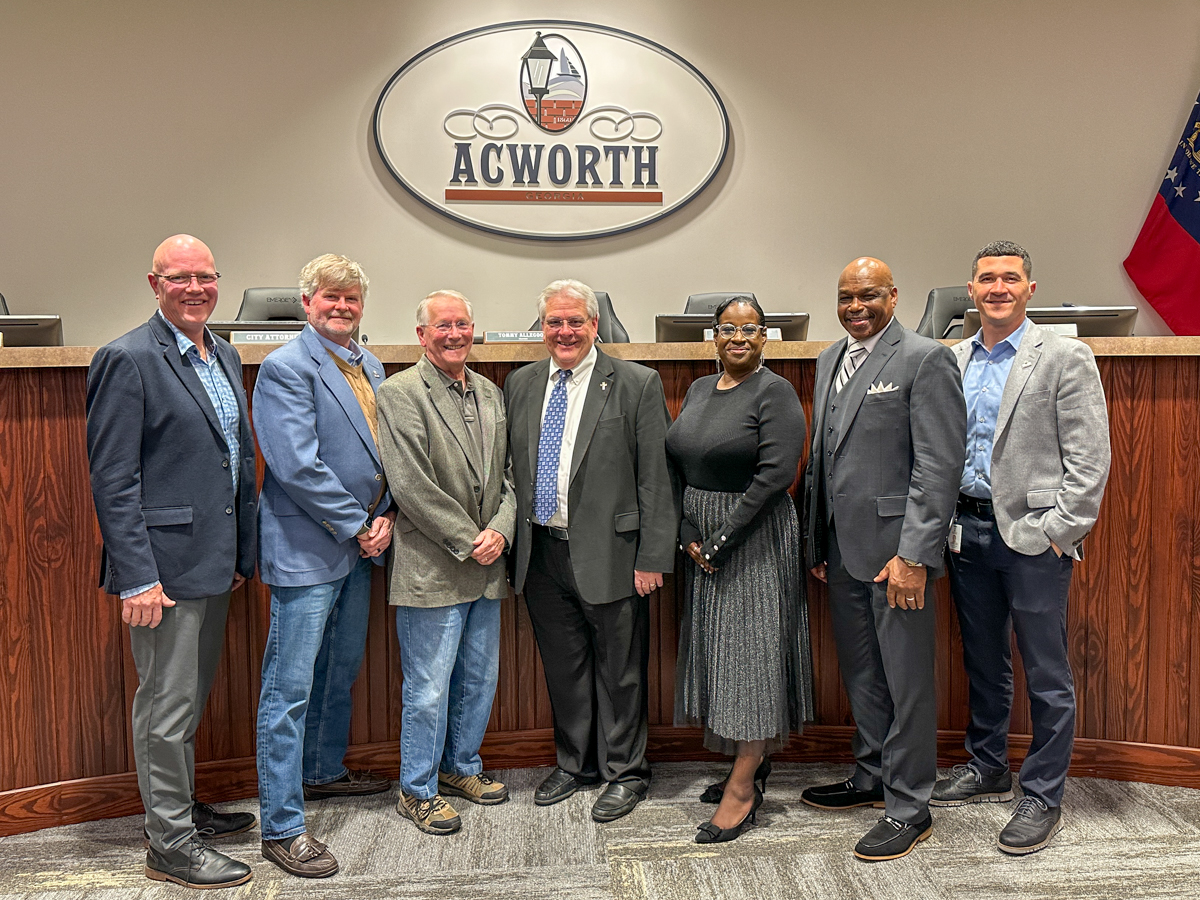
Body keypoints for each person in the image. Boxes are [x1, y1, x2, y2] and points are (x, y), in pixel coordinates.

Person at [86, 234, 257, 889]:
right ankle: (170, 844)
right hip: (161, 571)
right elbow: (114, 480)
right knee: (164, 707)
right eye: (180, 277)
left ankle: (178, 808)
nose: (195, 288)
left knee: (186, 702)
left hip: (212, 562)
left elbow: (232, 458)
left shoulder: (225, 353)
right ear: (154, 284)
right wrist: (137, 577)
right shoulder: (128, 358)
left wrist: (238, 551)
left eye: (205, 277)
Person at [932, 241, 1110, 855]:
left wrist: (1061, 531)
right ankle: (987, 765)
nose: (998, 288)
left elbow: (1089, 459)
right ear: (971, 290)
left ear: (1030, 289)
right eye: (987, 279)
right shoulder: (951, 359)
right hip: (967, 532)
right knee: (983, 661)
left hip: (1035, 537)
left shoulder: (1063, 356)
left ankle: (1042, 793)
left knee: (1046, 671)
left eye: (1010, 278)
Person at [802, 257, 966, 861]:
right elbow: (824, 458)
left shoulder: (925, 358)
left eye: (868, 295)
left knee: (907, 679)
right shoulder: (828, 359)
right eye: (846, 296)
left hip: (897, 555)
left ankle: (910, 805)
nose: (856, 306)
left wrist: (914, 555)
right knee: (863, 673)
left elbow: (939, 466)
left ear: (893, 297)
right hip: (842, 552)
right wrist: (817, 542)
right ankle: (871, 774)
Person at [504, 279, 677, 823]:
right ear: (542, 328)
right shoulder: (521, 383)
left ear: (595, 324)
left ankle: (626, 771)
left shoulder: (636, 383)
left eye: (575, 321)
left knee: (620, 671)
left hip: (614, 552)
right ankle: (575, 763)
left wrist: (652, 556)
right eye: (554, 322)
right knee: (565, 666)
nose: (564, 331)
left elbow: (656, 478)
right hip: (542, 551)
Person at [252, 254, 393, 877]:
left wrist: (386, 514)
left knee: (340, 670)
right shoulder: (286, 367)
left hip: (361, 544)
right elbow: (297, 465)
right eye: (330, 297)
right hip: (309, 548)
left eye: (351, 298)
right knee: (288, 690)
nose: (342, 306)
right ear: (306, 303)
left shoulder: (370, 364)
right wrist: (361, 524)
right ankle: (282, 827)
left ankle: (322, 771)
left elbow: (385, 452)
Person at [667, 295, 814, 843]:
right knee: (723, 656)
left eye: (749, 329)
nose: (738, 338)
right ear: (713, 335)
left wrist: (721, 542)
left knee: (752, 658)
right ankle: (751, 761)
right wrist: (687, 531)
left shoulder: (775, 392)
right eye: (727, 328)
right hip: (702, 540)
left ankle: (743, 788)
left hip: (752, 538)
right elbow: (679, 461)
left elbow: (776, 476)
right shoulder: (702, 388)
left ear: (765, 337)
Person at [376, 291, 516, 835]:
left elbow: (509, 474)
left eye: (462, 324)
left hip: (487, 564)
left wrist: (501, 529)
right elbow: (410, 484)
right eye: (442, 326)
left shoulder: (490, 391)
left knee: (479, 679)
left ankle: (461, 767)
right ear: (422, 335)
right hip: (432, 565)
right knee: (429, 687)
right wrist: (470, 538)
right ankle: (417, 789)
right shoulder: (400, 393)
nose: (454, 334)